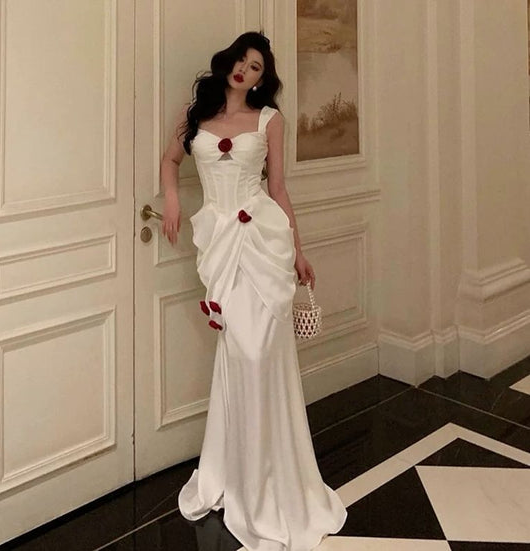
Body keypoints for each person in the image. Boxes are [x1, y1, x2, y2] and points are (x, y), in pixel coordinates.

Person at [160, 31, 347, 551]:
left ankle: (270, 477)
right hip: (220, 245)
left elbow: (278, 187)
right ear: (228, 62)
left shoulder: (269, 120)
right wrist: (172, 200)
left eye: (257, 66)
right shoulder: (196, 113)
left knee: (261, 353)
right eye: (242, 60)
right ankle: (236, 472)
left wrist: (298, 251)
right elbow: (170, 160)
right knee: (238, 353)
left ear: (264, 79)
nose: (245, 69)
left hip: (263, 243)